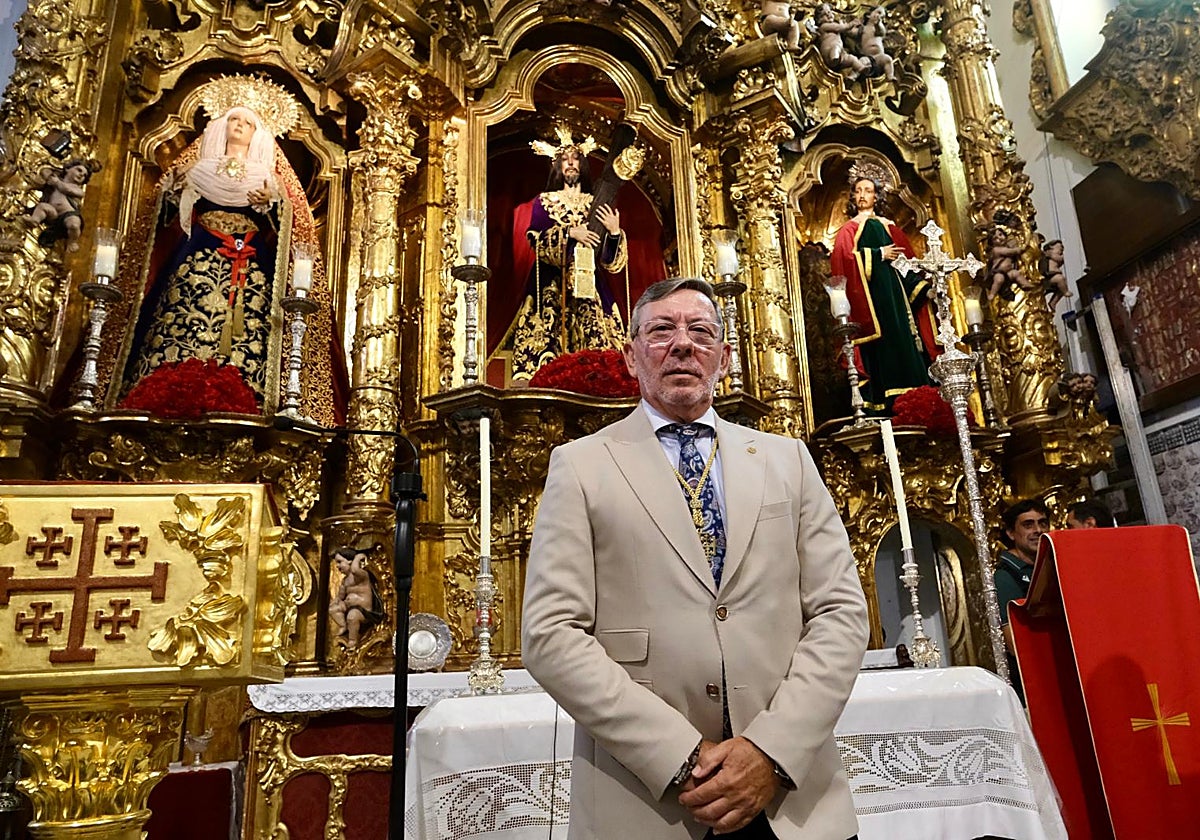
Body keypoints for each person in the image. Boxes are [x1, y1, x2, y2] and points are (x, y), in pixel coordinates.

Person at [522, 277, 869, 840]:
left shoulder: (788, 461)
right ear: (632, 356)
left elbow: (841, 613)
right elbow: (551, 634)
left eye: (701, 332)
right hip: (649, 799)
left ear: (724, 359)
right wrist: (682, 755)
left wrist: (770, 750)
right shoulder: (582, 466)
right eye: (661, 330)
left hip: (791, 799)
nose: (682, 344)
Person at [110, 77, 341, 425]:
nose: (240, 126)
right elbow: (166, 220)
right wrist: (173, 194)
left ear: (258, 134)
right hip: (198, 251)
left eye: (248, 123)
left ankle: (243, 393)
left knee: (250, 318)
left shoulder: (268, 177)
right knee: (181, 302)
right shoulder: (197, 168)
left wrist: (273, 205)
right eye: (234, 119)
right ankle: (168, 386)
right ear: (222, 125)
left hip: (248, 260)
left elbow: (290, 229)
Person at [508, 130, 629, 381]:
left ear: (583, 166)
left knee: (598, 352)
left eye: (576, 159)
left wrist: (614, 233)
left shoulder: (595, 202)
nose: (571, 163)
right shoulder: (545, 202)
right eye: (565, 159)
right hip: (552, 283)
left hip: (591, 284)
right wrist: (570, 233)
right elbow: (536, 240)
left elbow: (609, 261)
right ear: (558, 167)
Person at [830, 172, 938, 415]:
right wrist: (878, 254)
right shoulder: (849, 230)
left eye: (868, 191)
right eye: (858, 191)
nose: (862, 195)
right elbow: (843, 263)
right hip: (872, 307)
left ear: (876, 197)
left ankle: (919, 399)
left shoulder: (890, 228)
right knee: (881, 350)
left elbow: (907, 264)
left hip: (898, 305)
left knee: (906, 342)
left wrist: (924, 287)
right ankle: (885, 404)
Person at [20, 158, 100, 252]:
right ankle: (34, 220)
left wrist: (57, 182)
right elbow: (44, 171)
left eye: (84, 175)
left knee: (74, 224)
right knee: (42, 207)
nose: (81, 174)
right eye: (79, 170)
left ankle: (72, 241)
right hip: (53, 212)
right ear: (68, 169)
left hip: (68, 214)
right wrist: (51, 175)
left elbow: (67, 190)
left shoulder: (77, 189)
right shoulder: (56, 179)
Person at [329, 547, 384, 651]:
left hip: (364, 611)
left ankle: (353, 641)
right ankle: (343, 625)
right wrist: (337, 602)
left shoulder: (362, 576)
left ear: (350, 561)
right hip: (349, 608)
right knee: (333, 609)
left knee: (352, 616)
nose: (337, 566)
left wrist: (358, 557)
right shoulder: (345, 581)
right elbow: (340, 596)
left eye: (340, 562)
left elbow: (354, 570)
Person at [812, 3, 870, 81]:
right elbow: (840, 28)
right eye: (824, 15)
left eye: (829, 12)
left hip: (840, 54)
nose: (829, 15)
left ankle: (860, 67)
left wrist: (844, 24)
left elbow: (843, 29)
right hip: (829, 51)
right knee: (835, 48)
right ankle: (834, 58)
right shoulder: (824, 26)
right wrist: (851, 24)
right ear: (819, 19)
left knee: (852, 58)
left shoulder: (833, 24)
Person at [857, 6, 895, 81]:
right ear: (868, 15)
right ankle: (853, 76)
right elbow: (854, 33)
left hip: (879, 56)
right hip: (868, 57)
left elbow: (881, 31)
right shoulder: (863, 29)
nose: (880, 16)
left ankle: (890, 76)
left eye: (882, 17)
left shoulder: (879, 28)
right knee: (862, 62)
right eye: (879, 12)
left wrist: (878, 23)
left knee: (887, 59)